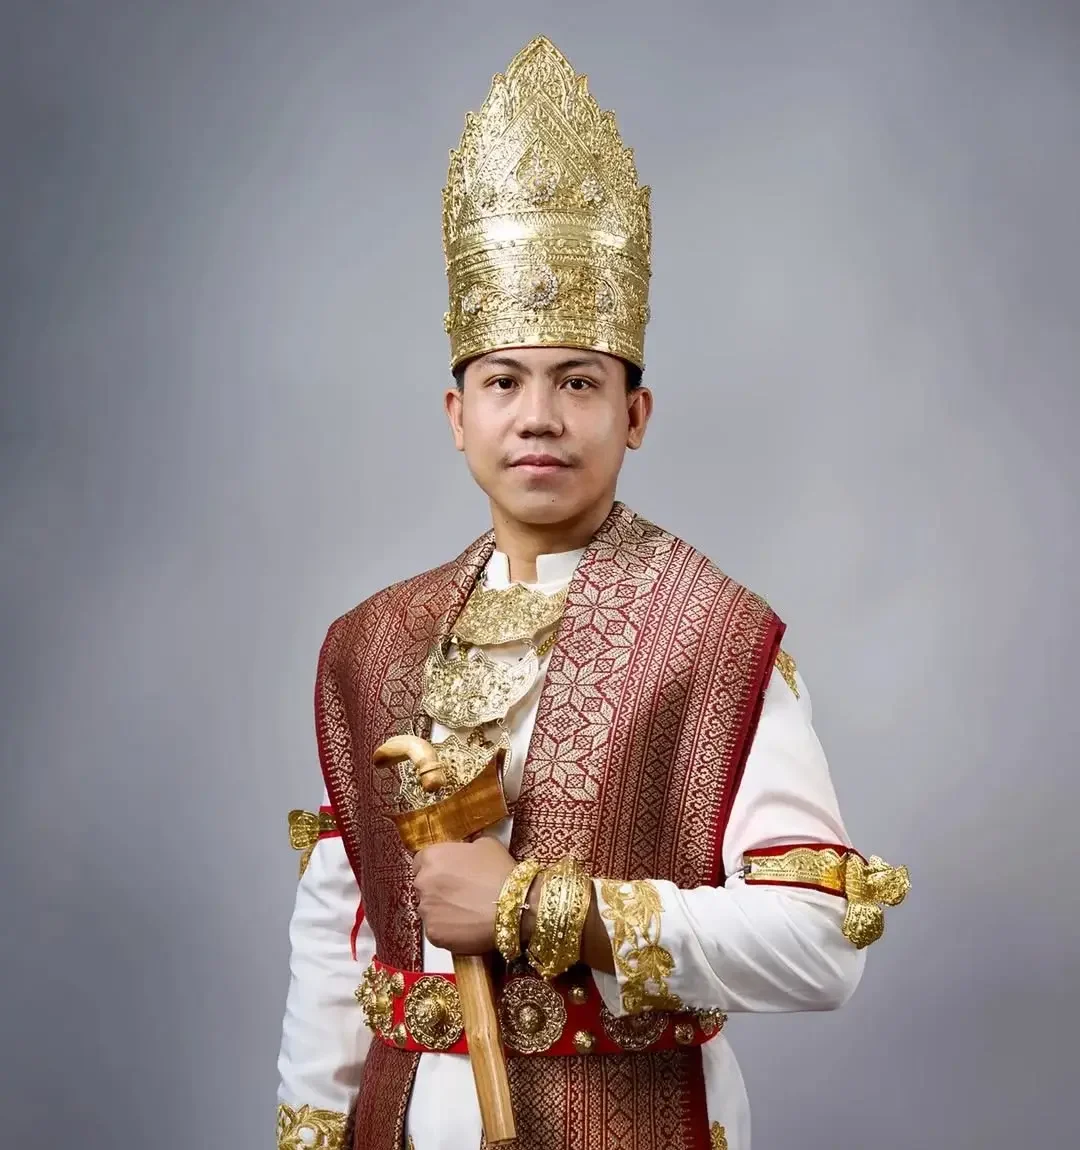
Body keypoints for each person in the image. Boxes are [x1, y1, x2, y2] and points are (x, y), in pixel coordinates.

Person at [275, 36, 909, 1150]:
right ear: (457, 415)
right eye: (503, 381)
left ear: (634, 414)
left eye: (578, 381)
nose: (539, 416)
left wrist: (533, 907)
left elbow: (821, 944)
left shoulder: (711, 638)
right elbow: (338, 946)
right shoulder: (372, 646)